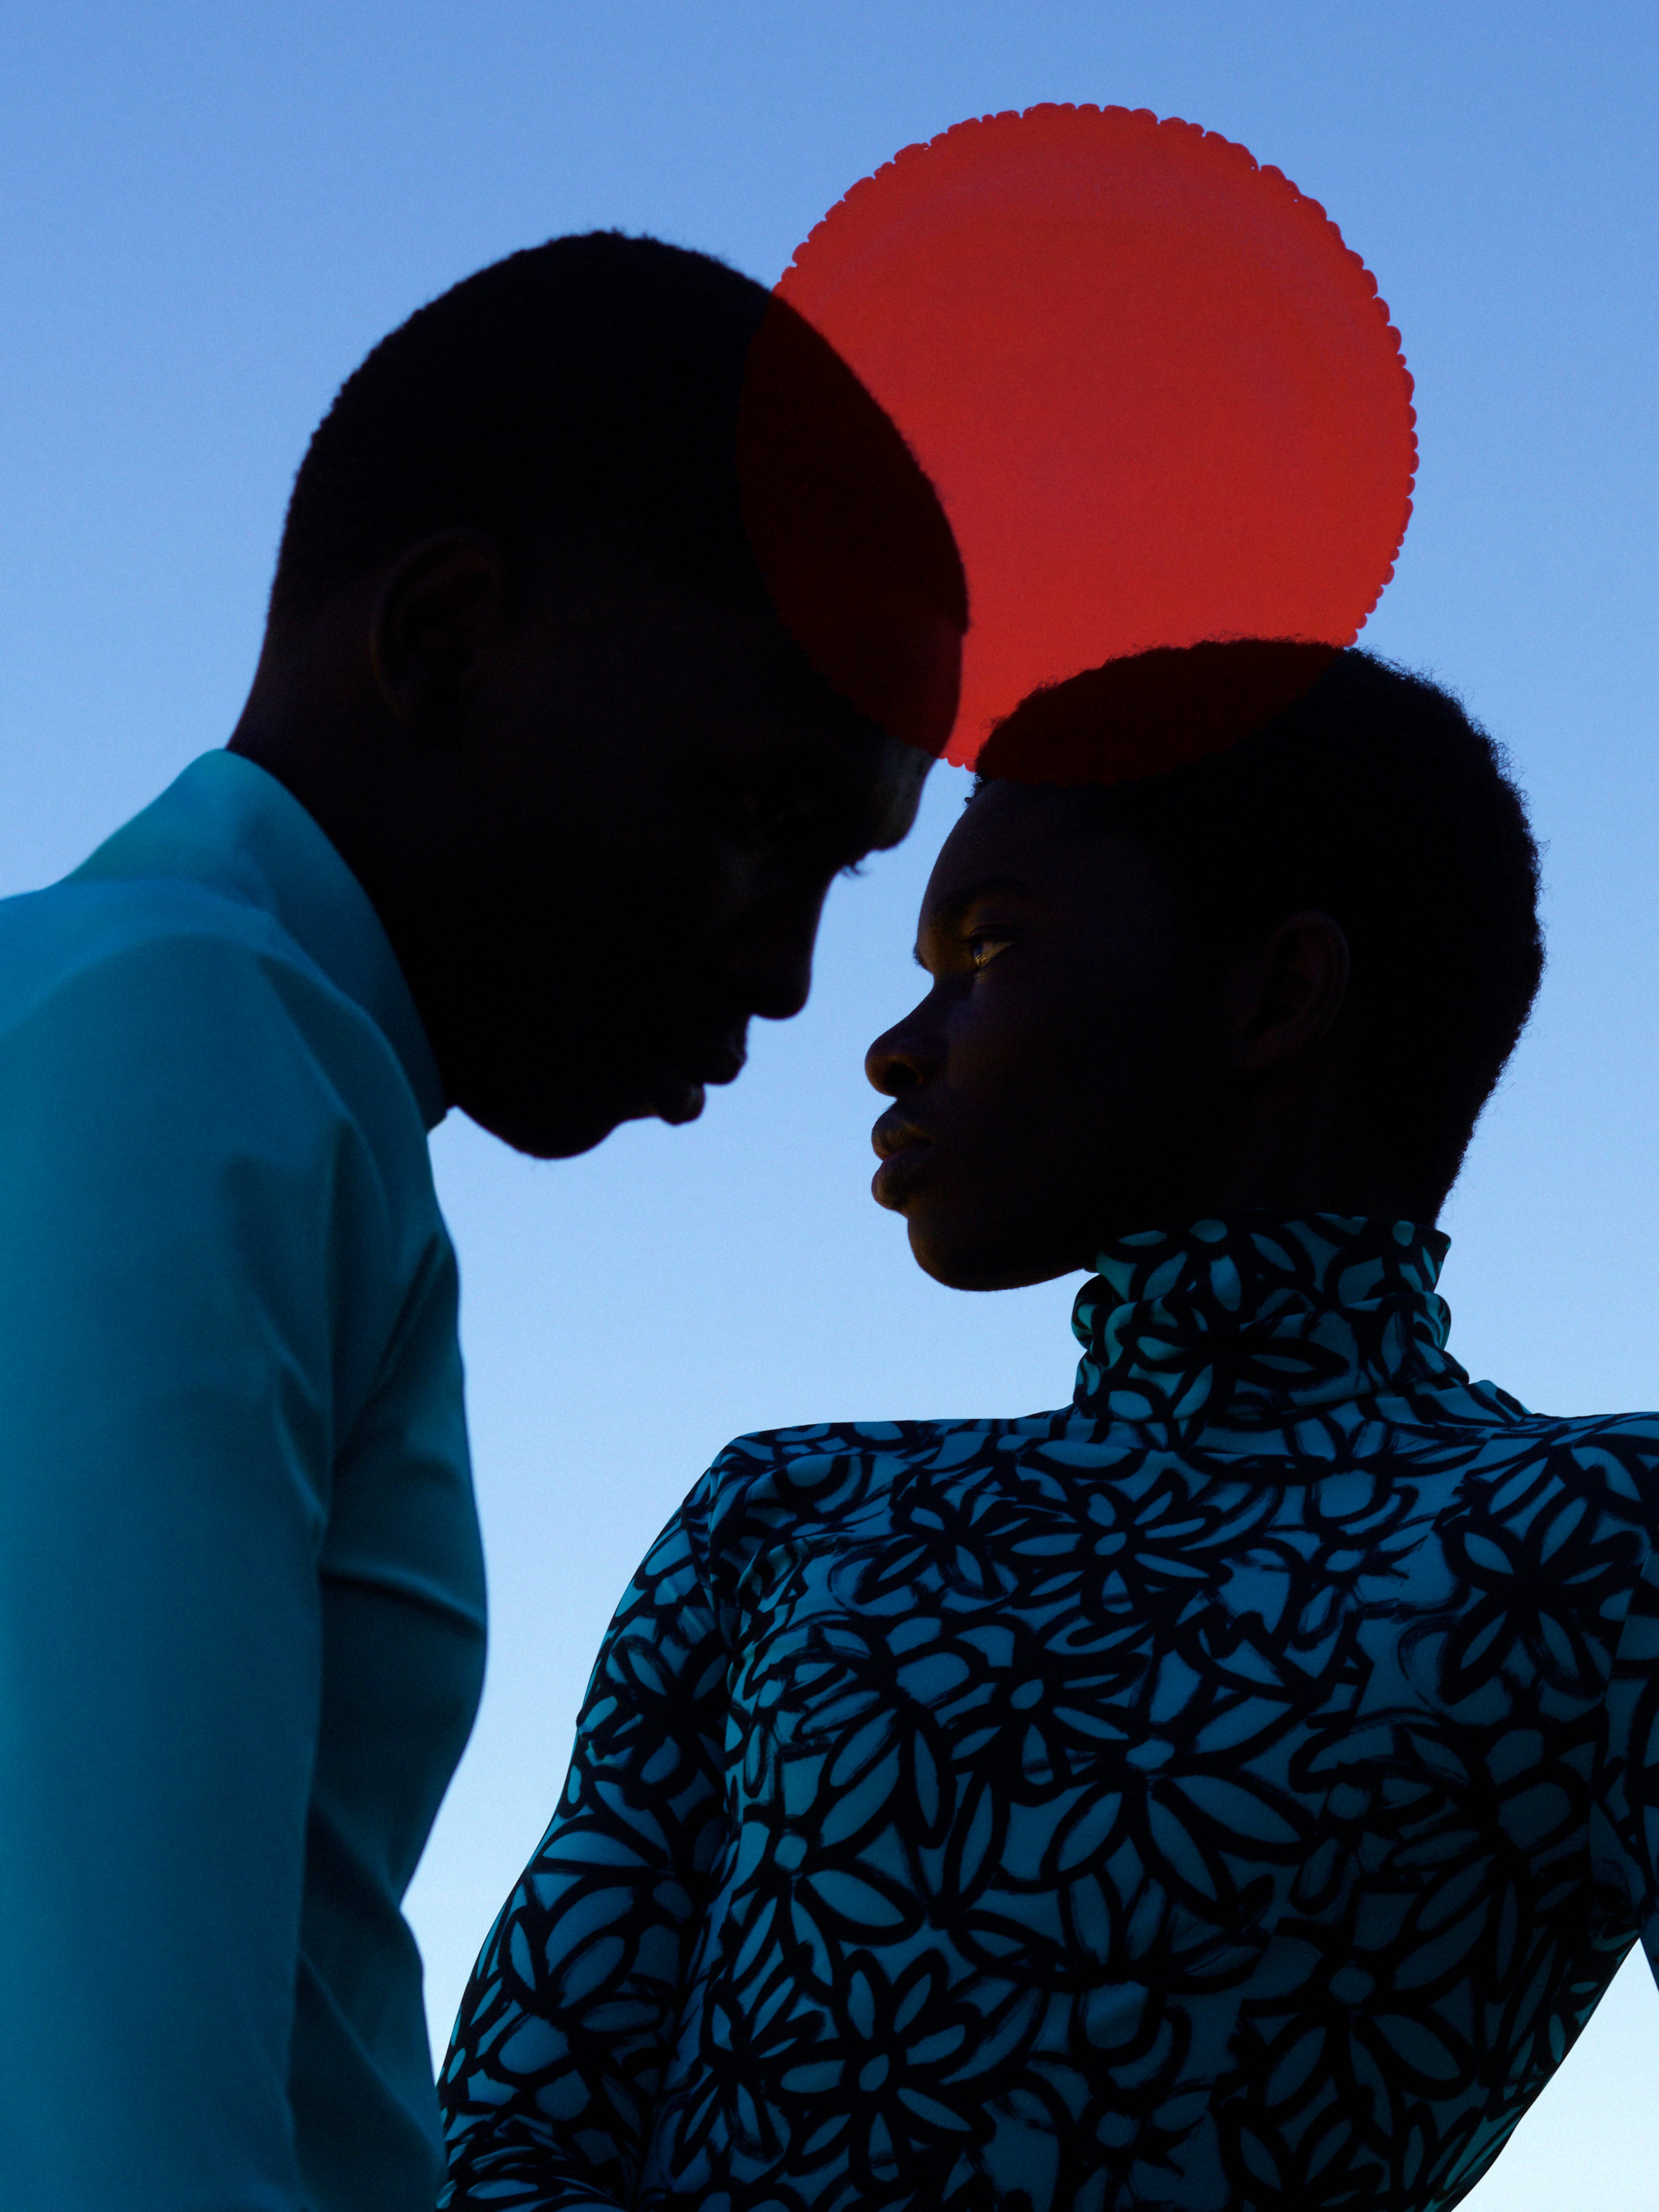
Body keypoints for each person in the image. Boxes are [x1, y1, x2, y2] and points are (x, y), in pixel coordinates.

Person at [440, 642, 1659, 2212]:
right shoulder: (789, 1512)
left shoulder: (1594, 1544)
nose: (896, 1044)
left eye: (988, 947)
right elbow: (516, 2136)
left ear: (1278, 993)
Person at [0, 233, 964, 2212]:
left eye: (840, 880)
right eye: (760, 820)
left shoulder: (192, 1045)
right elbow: (113, 2110)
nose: (785, 976)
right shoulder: (192, 1046)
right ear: (446, 637)